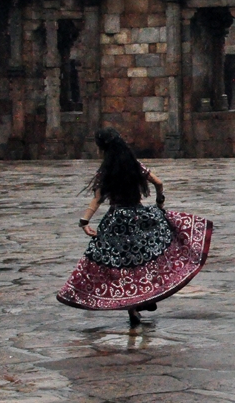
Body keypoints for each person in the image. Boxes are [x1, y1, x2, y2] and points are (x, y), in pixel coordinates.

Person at [57, 127, 213, 326]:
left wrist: (84, 221)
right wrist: (159, 202)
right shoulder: (134, 165)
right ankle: (147, 297)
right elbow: (158, 182)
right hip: (140, 219)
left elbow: (97, 200)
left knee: (122, 266)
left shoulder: (106, 171)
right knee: (147, 261)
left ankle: (134, 305)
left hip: (116, 223)